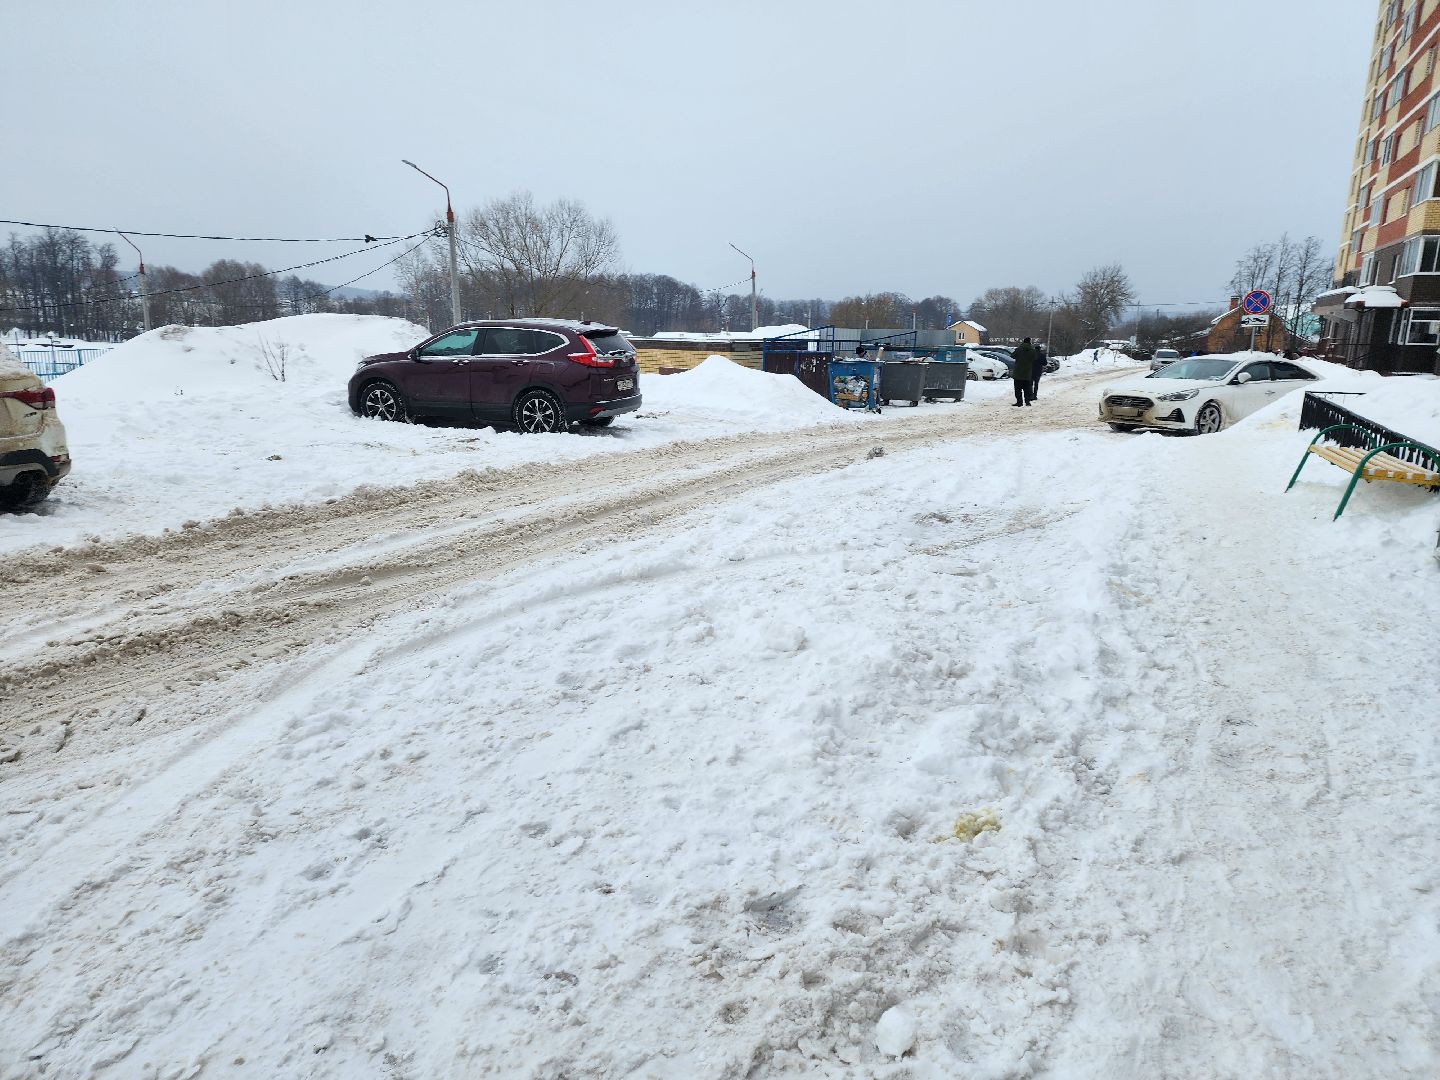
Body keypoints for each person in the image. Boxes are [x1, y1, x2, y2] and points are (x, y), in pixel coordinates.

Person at [1011, 337, 1036, 406]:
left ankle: (1019, 402)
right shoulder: (1032, 351)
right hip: (1027, 373)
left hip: (1018, 373)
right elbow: (1035, 358)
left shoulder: (1019, 349)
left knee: (1018, 389)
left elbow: (1012, 356)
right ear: (1030, 342)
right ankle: (1027, 402)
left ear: (1023, 342)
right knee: (1027, 389)